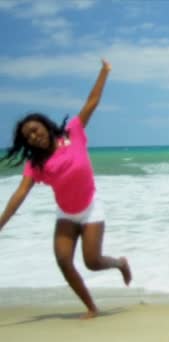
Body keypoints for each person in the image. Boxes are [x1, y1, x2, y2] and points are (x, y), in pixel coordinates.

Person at [0, 59, 132, 320]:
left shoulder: (73, 132)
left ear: (45, 126)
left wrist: (104, 72)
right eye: (28, 137)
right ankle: (91, 307)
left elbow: (91, 102)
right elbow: (19, 195)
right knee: (63, 260)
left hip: (90, 207)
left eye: (35, 131)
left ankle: (120, 263)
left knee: (92, 262)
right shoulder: (35, 164)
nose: (34, 137)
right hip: (66, 213)